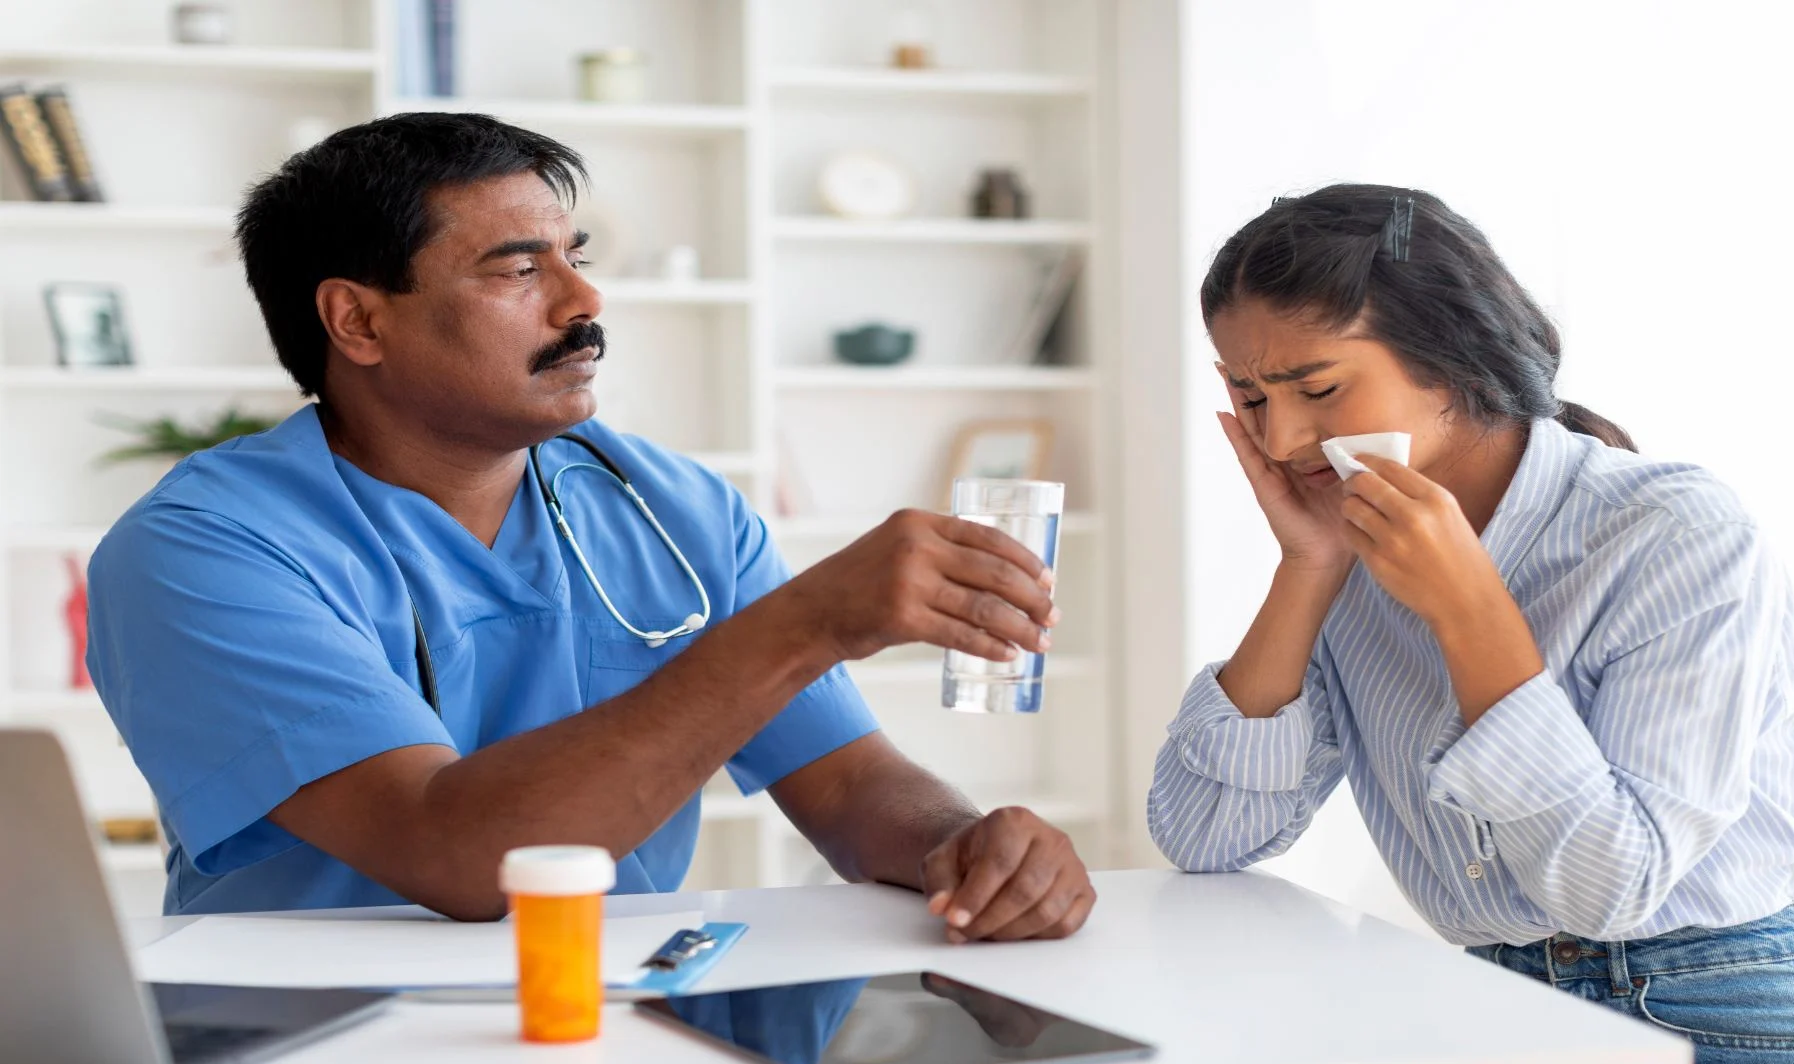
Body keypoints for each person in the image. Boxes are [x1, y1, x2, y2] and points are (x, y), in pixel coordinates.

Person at [85, 113, 1093, 947]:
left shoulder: (676, 507)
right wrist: (808, 621)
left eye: (576, 256)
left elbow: (847, 782)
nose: (584, 301)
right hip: (328, 1040)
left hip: (630, 1016)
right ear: (357, 322)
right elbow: (462, 858)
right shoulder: (201, 552)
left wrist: (965, 845)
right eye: (517, 270)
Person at [1148, 183, 1794, 1064]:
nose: (1282, 439)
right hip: (1496, 1009)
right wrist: (1307, 572)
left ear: (1448, 359)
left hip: (1729, 1015)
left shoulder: (1673, 534)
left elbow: (1609, 888)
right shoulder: (1346, 552)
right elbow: (1202, 838)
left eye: (1316, 388)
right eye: (1250, 396)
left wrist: (1470, 609)